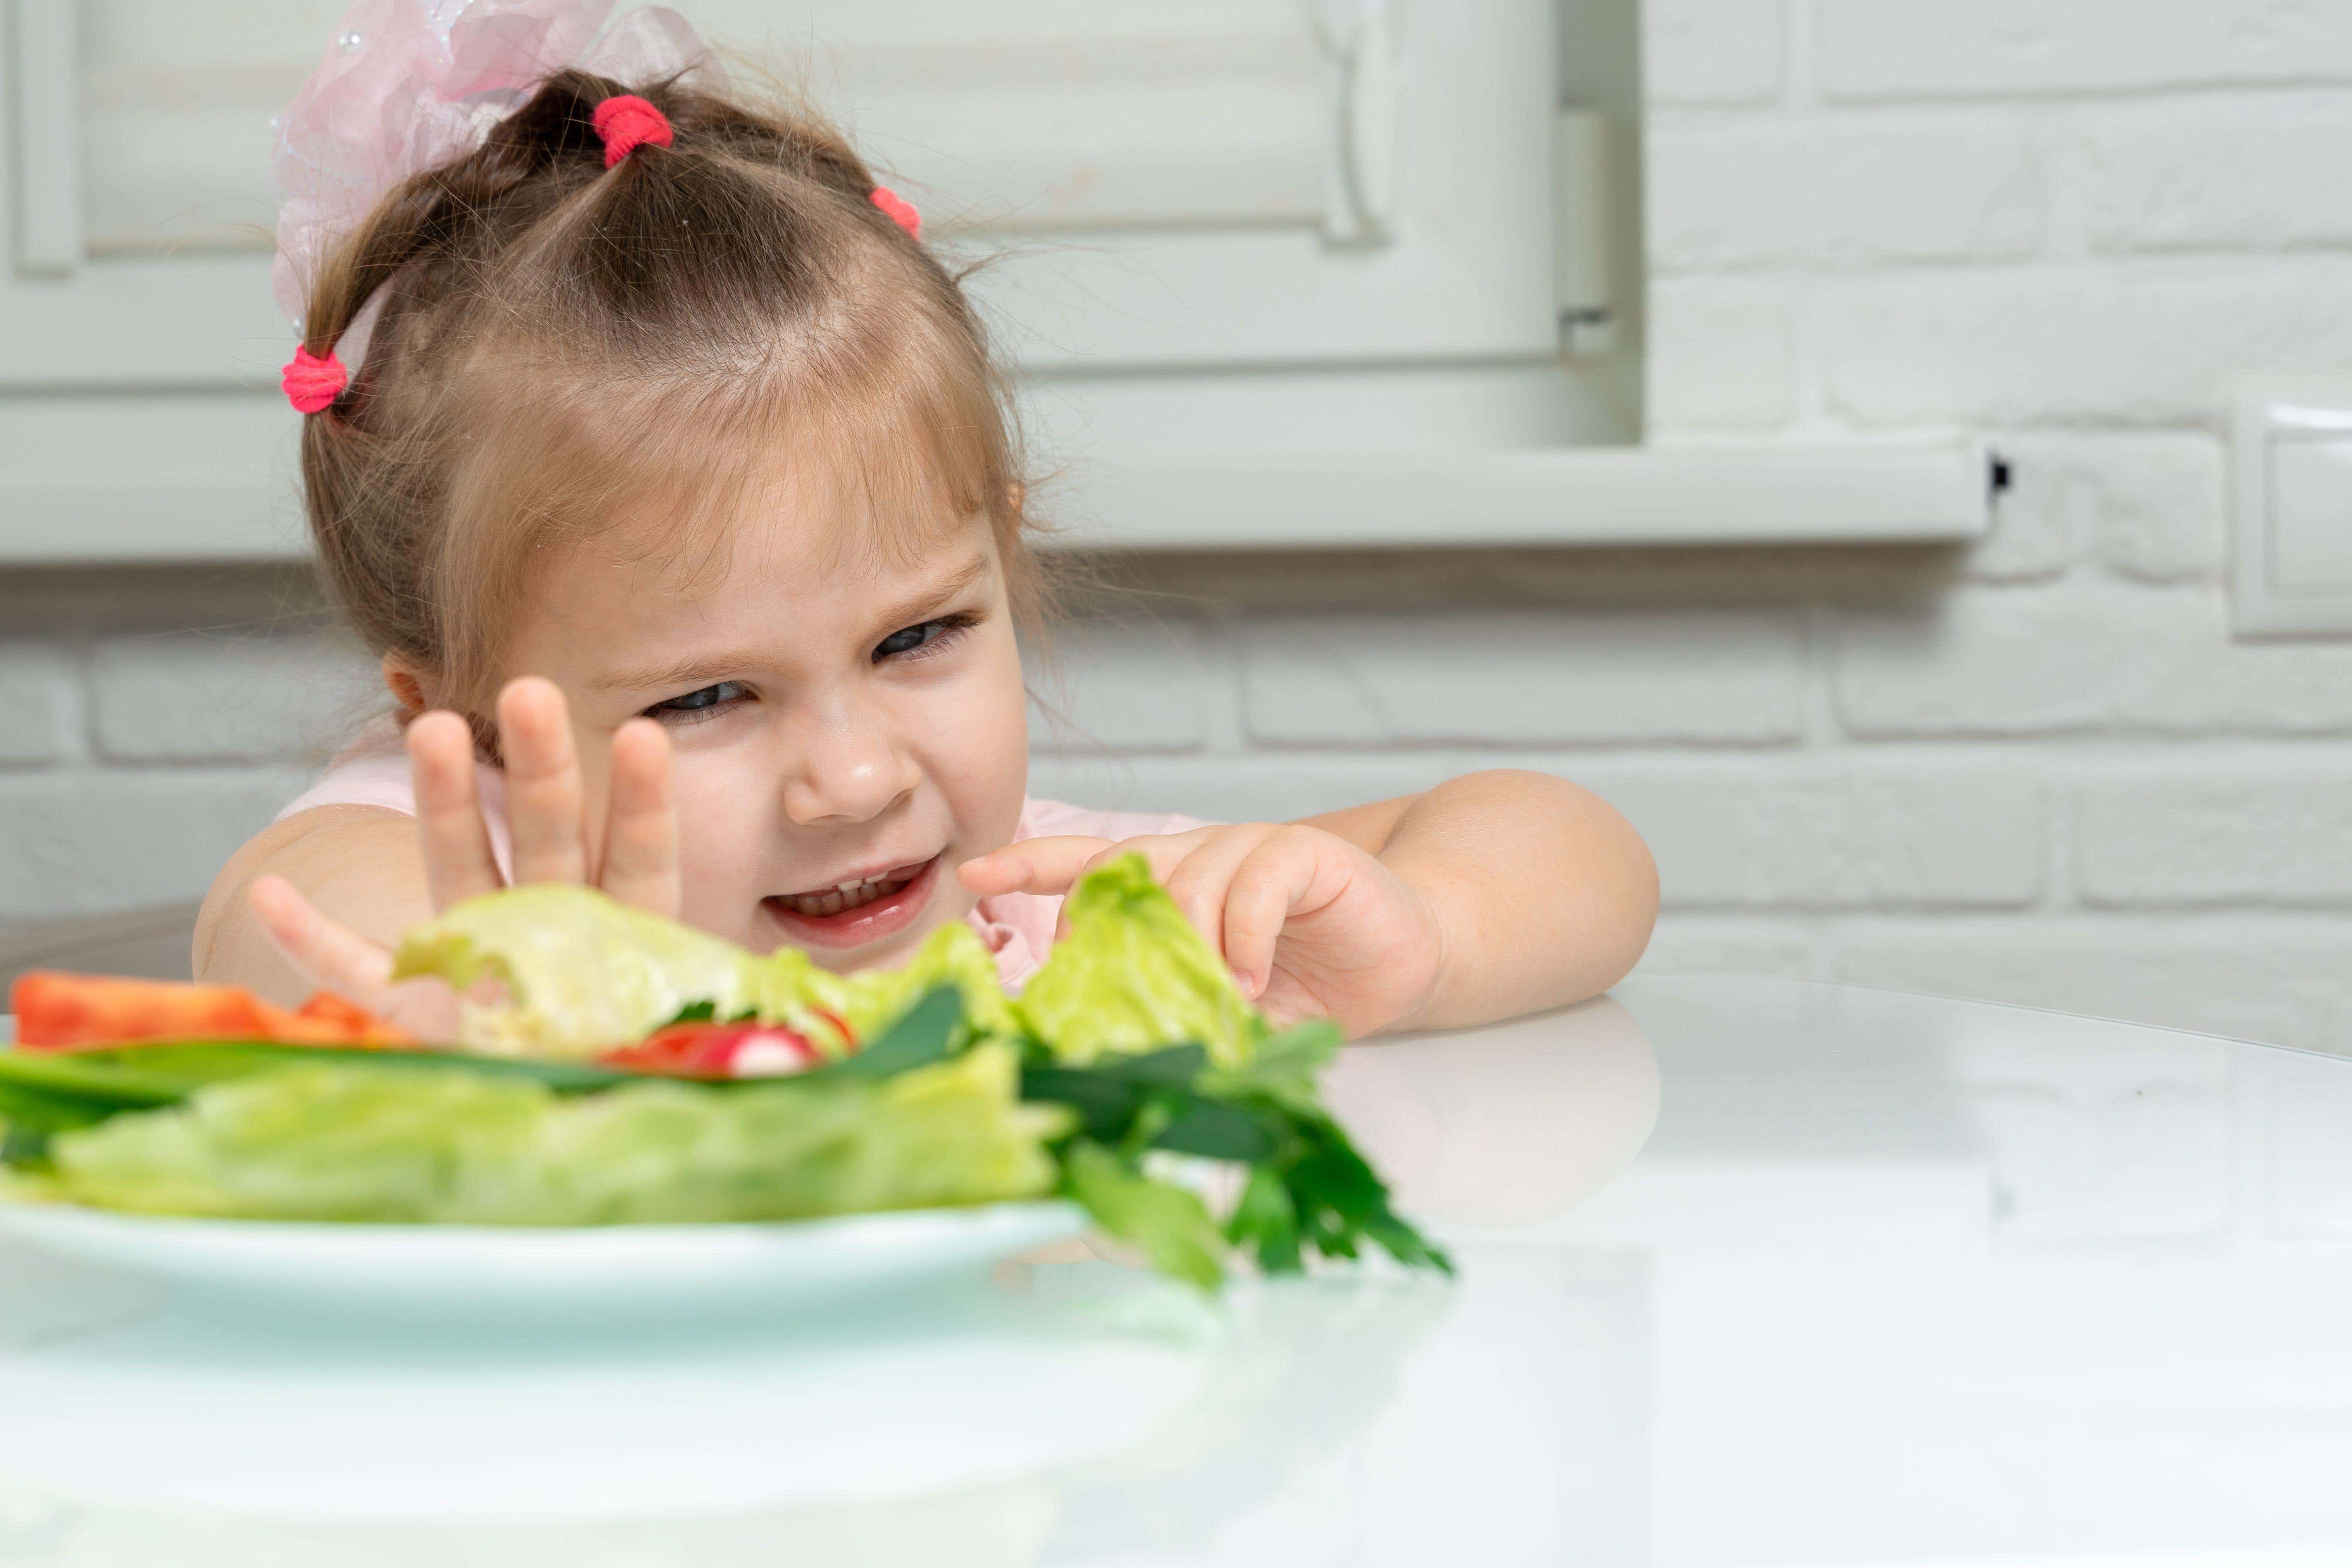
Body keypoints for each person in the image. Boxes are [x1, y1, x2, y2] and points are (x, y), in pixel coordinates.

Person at [196, 0, 1657, 1041]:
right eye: (707, 694)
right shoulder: (477, 880)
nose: (848, 776)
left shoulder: (1034, 909)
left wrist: (1425, 939)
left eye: (917, 636)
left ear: (1003, 562)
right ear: (466, 725)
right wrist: (478, 1022)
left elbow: (1581, 854)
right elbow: (280, 923)